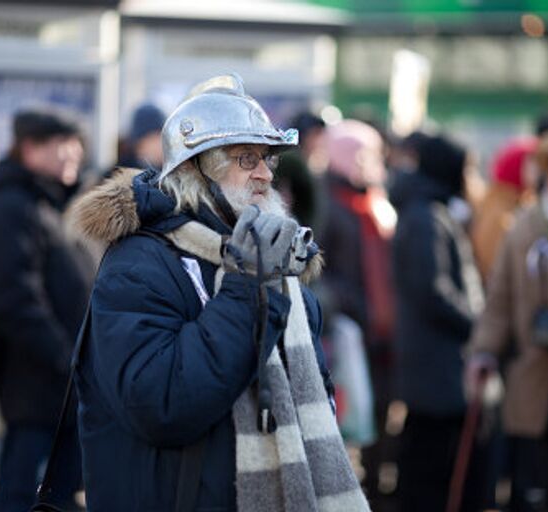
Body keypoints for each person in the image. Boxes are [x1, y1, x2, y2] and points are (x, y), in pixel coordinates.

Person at [68, 74, 368, 512]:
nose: (266, 174)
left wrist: (259, 278)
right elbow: (162, 404)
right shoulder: (136, 265)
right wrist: (247, 286)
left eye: (268, 159)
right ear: (195, 169)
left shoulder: (274, 265)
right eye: (247, 159)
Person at [467, 128, 548, 512]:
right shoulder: (523, 226)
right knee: (529, 484)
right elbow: (499, 299)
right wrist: (483, 351)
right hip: (530, 370)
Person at [0, 107, 96, 512]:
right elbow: (14, 298)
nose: (73, 153)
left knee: (59, 494)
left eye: (76, 143)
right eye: (61, 143)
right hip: (35, 382)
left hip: (64, 383)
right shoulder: (13, 206)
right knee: (22, 492)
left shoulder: (54, 202)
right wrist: (65, 356)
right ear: (29, 148)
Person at [390, 134, 486, 512]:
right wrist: (478, 326)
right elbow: (434, 292)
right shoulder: (425, 216)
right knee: (428, 468)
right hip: (436, 366)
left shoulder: (430, 210)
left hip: (435, 363)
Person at [316, 119, 398, 510]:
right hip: (348, 333)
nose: (370, 162)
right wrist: (353, 305)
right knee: (349, 420)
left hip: (383, 335)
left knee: (380, 416)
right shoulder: (326, 202)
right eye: (361, 154)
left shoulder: (377, 201)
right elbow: (319, 271)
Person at [471, 137, 538, 281]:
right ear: (517, 168)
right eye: (533, 164)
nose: (540, 170)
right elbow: (495, 269)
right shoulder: (501, 215)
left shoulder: (516, 203)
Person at [117, 102, 166, 170]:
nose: (159, 145)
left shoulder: (172, 171)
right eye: (152, 139)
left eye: (161, 138)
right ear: (138, 143)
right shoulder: (116, 175)